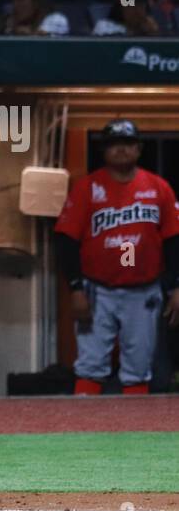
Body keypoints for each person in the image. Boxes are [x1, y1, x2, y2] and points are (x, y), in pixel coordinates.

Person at [54, 119, 179, 396]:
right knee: (90, 364)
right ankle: (82, 430)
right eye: (114, 144)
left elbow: (173, 241)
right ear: (104, 150)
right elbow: (66, 241)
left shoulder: (159, 188)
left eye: (127, 144)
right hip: (99, 290)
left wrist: (176, 286)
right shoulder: (87, 188)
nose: (121, 150)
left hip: (143, 290)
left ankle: (133, 432)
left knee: (138, 368)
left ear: (138, 148)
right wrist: (75, 288)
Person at [92, 0, 160, 35]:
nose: (136, 8)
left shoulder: (149, 29)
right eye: (130, 3)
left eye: (140, 3)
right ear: (119, 7)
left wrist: (153, 35)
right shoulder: (104, 26)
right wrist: (137, 33)